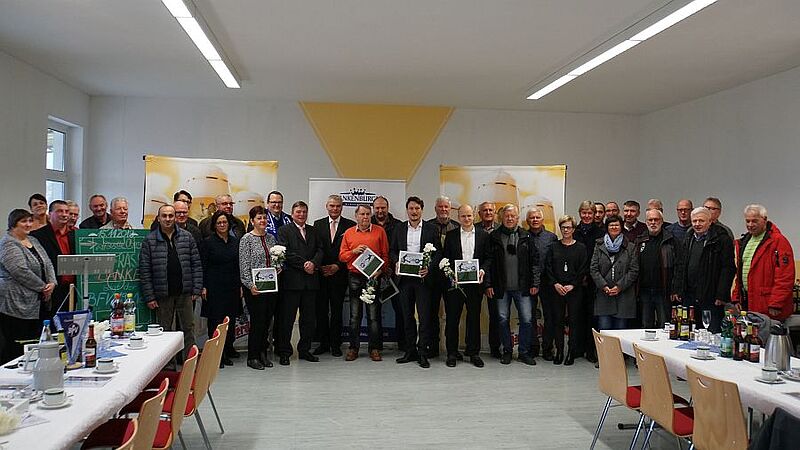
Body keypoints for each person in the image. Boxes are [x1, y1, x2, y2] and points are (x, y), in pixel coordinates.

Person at [139, 204, 202, 364]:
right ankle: (167, 366)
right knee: (164, 331)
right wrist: (149, 296)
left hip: (185, 292)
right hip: (163, 295)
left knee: (188, 329)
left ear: (175, 218)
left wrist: (196, 289)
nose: (168, 219)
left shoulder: (187, 237)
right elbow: (145, 271)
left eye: (170, 216)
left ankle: (190, 362)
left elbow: (196, 264)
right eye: (164, 216)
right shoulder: (149, 241)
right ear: (158, 218)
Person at [484, 204, 539, 366]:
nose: (509, 218)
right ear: (502, 217)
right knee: (502, 319)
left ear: (517, 218)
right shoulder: (494, 236)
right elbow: (488, 262)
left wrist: (535, 283)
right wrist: (488, 284)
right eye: (507, 216)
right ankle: (507, 351)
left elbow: (535, 262)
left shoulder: (526, 236)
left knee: (527, 320)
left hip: (523, 287)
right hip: (501, 287)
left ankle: (523, 352)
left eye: (513, 216)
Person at [390, 196, 440, 368]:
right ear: (407, 210)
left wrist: (429, 268)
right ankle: (410, 350)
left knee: (424, 317)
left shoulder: (431, 229)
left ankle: (423, 353)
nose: (414, 211)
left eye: (417, 208)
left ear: (422, 210)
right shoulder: (399, 228)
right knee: (407, 316)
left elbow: (438, 253)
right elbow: (392, 250)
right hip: (404, 280)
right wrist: (396, 262)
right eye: (411, 208)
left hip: (423, 280)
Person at [0, 209, 56, 362]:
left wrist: (52, 283)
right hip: (16, 302)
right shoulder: (8, 243)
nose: (28, 224)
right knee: (17, 345)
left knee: (35, 340)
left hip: (39, 300)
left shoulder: (33, 240)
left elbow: (48, 263)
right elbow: (20, 271)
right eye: (23, 221)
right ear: (13, 224)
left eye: (30, 221)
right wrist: (43, 287)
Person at [339, 204, 390, 361]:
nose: (365, 217)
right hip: (354, 277)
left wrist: (380, 271)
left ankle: (374, 348)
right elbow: (342, 256)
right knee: (355, 316)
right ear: (356, 216)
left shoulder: (379, 231)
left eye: (368, 214)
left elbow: (385, 256)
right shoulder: (348, 233)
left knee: (373, 316)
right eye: (362, 214)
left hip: (373, 277)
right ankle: (353, 348)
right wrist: (353, 252)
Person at [673, 207, 735, 332]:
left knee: (710, 332)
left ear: (710, 221)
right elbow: (681, 264)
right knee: (688, 331)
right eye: (694, 221)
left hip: (711, 296)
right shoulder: (689, 237)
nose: (697, 224)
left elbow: (728, 268)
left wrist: (722, 294)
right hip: (689, 294)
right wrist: (677, 289)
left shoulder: (721, 239)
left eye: (701, 221)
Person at [276, 201, 323, 365]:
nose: (301, 214)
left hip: (311, 282)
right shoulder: (284, 231)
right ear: (292, 214)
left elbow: (320, 250)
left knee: (308, 320)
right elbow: (285, 252)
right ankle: (284, 352)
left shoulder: (313, 230)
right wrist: (304, 265)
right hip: (292, 282)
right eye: (298, 212)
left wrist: (314, 263)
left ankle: (304, 350)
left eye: (304, 212)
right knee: (287, 319)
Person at [443, 204, 489, 368]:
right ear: (458, 217)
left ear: (474, 216)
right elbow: (446, 258)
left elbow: (488, 258)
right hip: (455, 285)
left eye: (469, 215)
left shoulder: (483, 235)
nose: (467, 219)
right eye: (463, 216)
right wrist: (451, 274)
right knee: (452, 319)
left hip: (475, 285)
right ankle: (451, 353)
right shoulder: (451, 236)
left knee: (474, 319)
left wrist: (482, 270)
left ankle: (473, 352)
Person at [732, 204, 795, 320]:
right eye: (747, 221)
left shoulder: (778, 241)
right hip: (747, 303)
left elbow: (785, 276)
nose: (750, 225)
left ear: (764, 219)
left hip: (769, 306)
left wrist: (776, 303)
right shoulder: (743, 242)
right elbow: (740, 274)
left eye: (754, 221)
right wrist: (736, 298)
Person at [312, 195, 355, 357]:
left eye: (338, 206)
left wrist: (337, 265)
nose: (335, 208)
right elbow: (316, 248)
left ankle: (336, 344)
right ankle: (323, 343)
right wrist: (321, 266)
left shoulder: (349, 225)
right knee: (321, 311)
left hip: (340, 274)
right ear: (327, 206)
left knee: (337, 311)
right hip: (321, 274)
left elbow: (350, 251)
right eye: (332, 206)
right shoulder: (317, 224)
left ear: (342, 207)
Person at [239, 206, 279, 370]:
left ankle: (263, 353)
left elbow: (275, 259)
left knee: (267, 321)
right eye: (259, 218)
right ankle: (253, 356)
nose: (262, 221)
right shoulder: (246, 239)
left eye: (264, 218)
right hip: (254, 289)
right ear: (252, 221)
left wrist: (278, 267)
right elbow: (244, 266)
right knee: (257, 322)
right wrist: (250, 285)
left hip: (270, 287)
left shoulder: (271, 238)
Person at [543, 215, 588, 366]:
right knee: (557, 321)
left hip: (574, 290)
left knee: (574, 321)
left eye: (569, 227)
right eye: (563, 228)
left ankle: (571, 352)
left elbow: (583, 269)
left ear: (573, 229)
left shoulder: (581, 248)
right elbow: (548, 267)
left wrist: (573, 285)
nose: (566, 230)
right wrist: (555, 284)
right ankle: (559, 351)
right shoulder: (553, 247)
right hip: (557, 290)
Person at [200, 210, 241, 367]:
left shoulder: (235, 241)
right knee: (215, 321)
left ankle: (228, 348)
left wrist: (240, 286)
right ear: (214, 225)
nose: (222, 225)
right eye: (219, 223)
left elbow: (238, 265)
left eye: (225, 222)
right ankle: (217, 354)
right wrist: (203, 286)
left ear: (229, 224)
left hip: (232, 286)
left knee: (230, 320)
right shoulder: (208, 242)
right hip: (214, 287)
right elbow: (203, 265)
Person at [591, 214, 639, 331]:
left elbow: (633, 270)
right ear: (607, 227)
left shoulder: (631, 247)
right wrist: (604, 286)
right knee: (604, 332)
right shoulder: (599, 245)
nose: (614, 227)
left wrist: (619, 286)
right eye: (611, 225)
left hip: (623, 296)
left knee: (620, 332)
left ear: (621, 227)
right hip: (604, 295)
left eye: (616, 225)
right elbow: (593, 268)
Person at [426, 196, 459, 357]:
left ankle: (452, 349)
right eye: (440, 206)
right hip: (432, 277)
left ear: (450, 209)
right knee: (432, 314)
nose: (443, 209)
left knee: (452, 315)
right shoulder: (427, 227)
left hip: (452, 278)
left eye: (446, 207)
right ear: (435, 209)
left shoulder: (457, 227)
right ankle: (433, 347)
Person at [30, 200, 74, 321]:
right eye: (60, 211)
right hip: (51, 289)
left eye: (67, 211)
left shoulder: (75, 234)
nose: (64, 214)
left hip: (73, 289)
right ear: (50, 214)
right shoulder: (37, 236)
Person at [636, 209, 679, 329]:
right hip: (644, 291)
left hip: (663, 291)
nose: (653, 222)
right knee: (646, 326)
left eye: (656, 219)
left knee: (665, 325)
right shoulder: (639, 240)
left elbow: (678, 266)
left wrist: (675, 289)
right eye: (650, 220)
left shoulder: (671, 240)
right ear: (646, 222)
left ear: (662, 221)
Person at [371, 196, 404, 351]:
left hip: (395, 274)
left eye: (383, 207)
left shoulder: (399, 225)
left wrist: (391, 265)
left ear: (388, 208)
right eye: (377, 208)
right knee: (374, 311)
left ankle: (403, 344)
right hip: (373, 274)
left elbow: (399, 248)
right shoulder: (367, 223)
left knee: (401, 309)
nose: (380, 211)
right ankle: (376, 346)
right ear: (373, 209)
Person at [573, 200, 604, 363]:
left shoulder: (601, 233)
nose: (586, 216)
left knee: (592, 317)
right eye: (584, 213)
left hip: (594, 281)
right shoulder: (574, 231)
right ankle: (577, 348)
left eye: (589, 213)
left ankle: (591, 350)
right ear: (580, 214)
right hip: (576, 280)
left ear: (594, 214)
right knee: (576, 315)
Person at [526, 207, 558, 360]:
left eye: (537, 217)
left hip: (548, 282)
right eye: (532, 218)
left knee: (549, 317)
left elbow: (555, 261)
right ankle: (533, 347)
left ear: (542, 219)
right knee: (529, 317)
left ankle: (547, 348)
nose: (535, 220)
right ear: (527, 221)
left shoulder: (551, 238)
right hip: (528, 283)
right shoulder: (523, 236)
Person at [477, 201, 501, 357]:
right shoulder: (473, 229)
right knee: (474, 314)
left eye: (490, 210)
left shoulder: (501, 229)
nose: (488, 213)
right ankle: (473, 348)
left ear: (495, 212)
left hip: (495, 279)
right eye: (484, 210)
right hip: (476, 279)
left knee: (496, 315)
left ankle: (495, 347)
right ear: (479, 213)